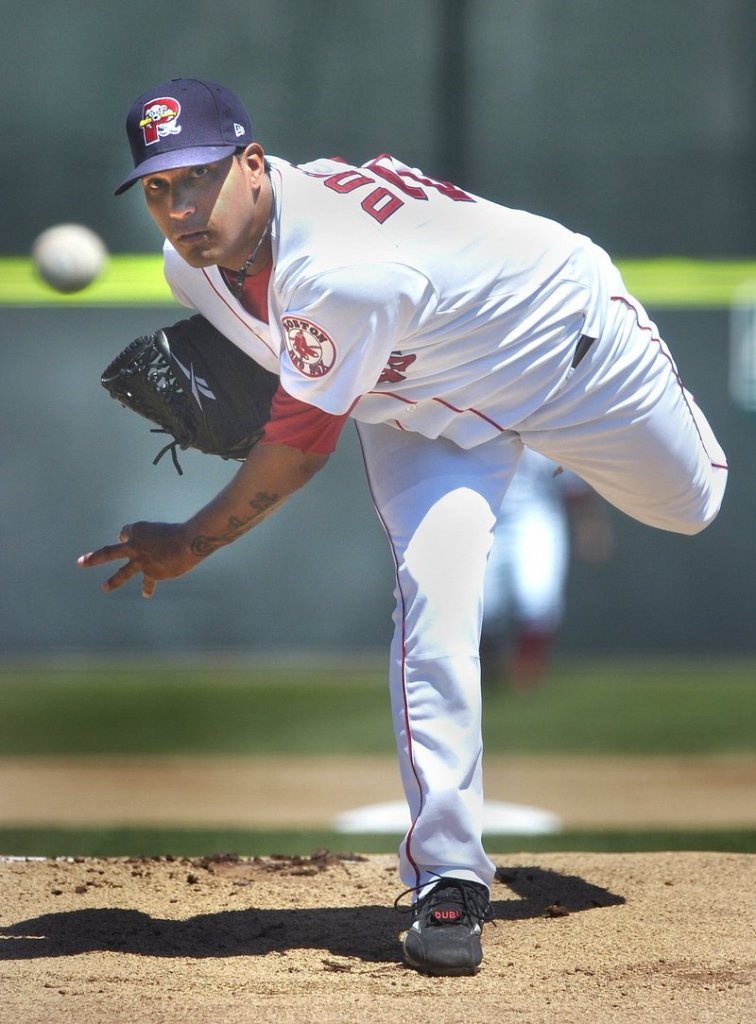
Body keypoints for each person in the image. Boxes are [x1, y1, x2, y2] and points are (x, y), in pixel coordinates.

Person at [79, 78, 728, 976]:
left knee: (691, 507)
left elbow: (300, 448)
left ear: (254, 165)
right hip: (417, 409)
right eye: (158, 187)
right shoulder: (188, 267)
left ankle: (636, 415)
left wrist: (190, 540)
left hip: (567, 354)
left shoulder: (339, 264)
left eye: (200, 177)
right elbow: (303, 371)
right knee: (434, 601)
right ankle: (449, 876)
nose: (182, 207)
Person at [481, 449, 614, 691]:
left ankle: (527, 676)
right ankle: (483, 673)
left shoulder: (542, 416)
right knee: (483, 605)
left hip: (536, 514)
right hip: (484, 514)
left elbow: (572, 483)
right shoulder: (472, 416)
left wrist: (590, 522)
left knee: (537, 596)